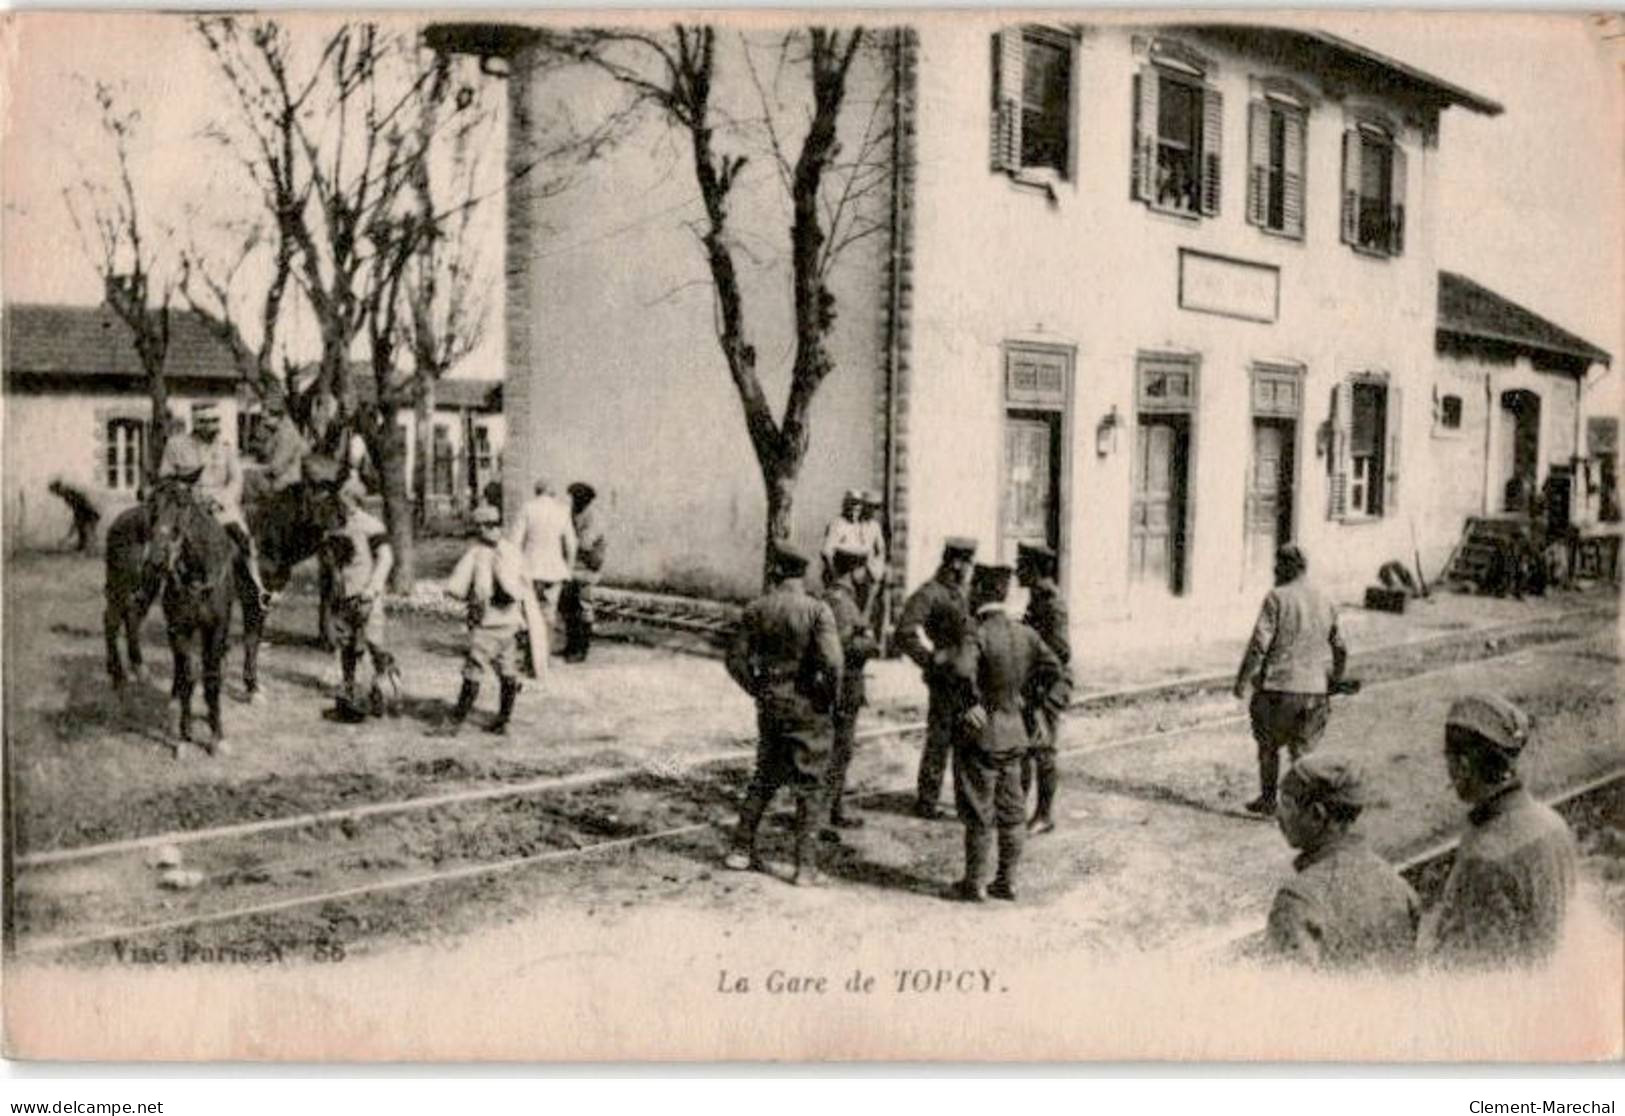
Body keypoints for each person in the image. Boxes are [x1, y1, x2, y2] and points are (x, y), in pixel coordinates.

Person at [1422, 694, 1580, 968]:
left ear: (1464, 766)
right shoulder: (1553, 823)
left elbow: (1475, 970)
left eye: (1448, 759)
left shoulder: (1485, 856)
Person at [722, 545, 843, 886]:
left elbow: (734, 660)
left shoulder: (757, 609)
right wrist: (827, 698)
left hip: (771, 703)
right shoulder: (818, 611)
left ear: (775, 572)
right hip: (807, 705)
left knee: (765, 775)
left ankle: (740, 849)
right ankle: (805, 867)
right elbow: (833, 662)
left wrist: (758, 689)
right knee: (809, 786)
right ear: (802, 575)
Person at [946, 563, 1067, 902]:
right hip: (1015, 733)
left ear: (982, 591)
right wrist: (1027, 701)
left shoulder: (976, 631)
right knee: (1013, 811)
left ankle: (974, 884)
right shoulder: (1024, 633)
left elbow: (960, 669)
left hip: (982, 735)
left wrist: (972, 702)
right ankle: (1007, 881)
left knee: (978, 811)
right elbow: (1054, 668)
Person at [1265, 753, 1419, 969]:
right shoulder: (1399, 888)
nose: (1278, 815)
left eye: (1286, 804)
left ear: (1317, 815)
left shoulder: (1298, 902)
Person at [1233, 544, 1347, 815]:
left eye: (1277, 565)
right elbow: (1340, 647)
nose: (1273, 570)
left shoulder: (1277, 597)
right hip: (1315, 690)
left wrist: (1242, 680)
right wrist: (1336, 678)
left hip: (1278, 690)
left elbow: (1259, 644)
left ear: (1287, 568)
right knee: (1304, 753)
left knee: (1268, 747)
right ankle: (1304, 807)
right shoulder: (1326, 598)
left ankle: (1269, 800)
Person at [895, 536, 978, 819]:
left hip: (969, 677)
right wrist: (930, 660)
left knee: (968, 740)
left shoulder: (964, 592)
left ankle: (964, 800)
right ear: (955, 563)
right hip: (945, 679)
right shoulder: (930, 593)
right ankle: (927, 800)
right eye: (966, 563)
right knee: (940, 739)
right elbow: (904, 633)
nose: (969, 569)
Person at [157, 401, 271, 606]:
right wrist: (182, 492)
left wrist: (223, 499)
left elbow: (236, 479)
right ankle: (157, 586)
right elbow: (165, 477)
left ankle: (256, 588)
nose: (211, 427)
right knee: (165, 541)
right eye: (206, 422)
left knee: (245, 541)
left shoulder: (226, 447)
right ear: (196, 422)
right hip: (187, 504)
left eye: (214, 421)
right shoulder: (175, 445)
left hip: (220, 504)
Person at [434, 505, 532, 736]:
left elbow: (455, 588)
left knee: (474, 670)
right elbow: (525, 584)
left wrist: (468, 596)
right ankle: (504, 720)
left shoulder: (477, 553)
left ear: (479, 527)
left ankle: (455, 722)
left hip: (486, 622)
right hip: (511, 620)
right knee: (508, 670)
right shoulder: (513, 551)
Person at [321, 485, 402, 722]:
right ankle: (349, 695)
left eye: (347, 499)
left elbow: (386, 559)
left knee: (374, 644)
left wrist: (373, 588)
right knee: (346, 646)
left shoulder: (372, 526)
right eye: (341, 500)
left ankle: (389, 694)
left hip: (366, 595)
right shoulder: (336, 527)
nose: (343, 504)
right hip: (344, 596)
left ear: (356, 500)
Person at [819, 548, 880, 837]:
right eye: (862, 569)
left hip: (841, 686)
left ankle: (833, 808)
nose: (866, 575)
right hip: (844, 686)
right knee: (838, 751)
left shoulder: (840, 597)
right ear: (853, 570)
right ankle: (821, 816)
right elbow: (843, 647)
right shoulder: (842, 602)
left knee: (840, 750)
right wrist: (870, 643)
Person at [1016, 542, 1073, 834]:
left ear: (1035, 570)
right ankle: (1017, 809)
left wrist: (1039, 689)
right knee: (1026, 748)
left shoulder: (1051, 603)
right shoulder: (1037, 598)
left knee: (1043, 750)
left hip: (1048, 687)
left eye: (1021, 565)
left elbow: (1061, 652)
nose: (1016, 571)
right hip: (1035, 685)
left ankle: (1044, 815)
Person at [509, 477, 577, 632]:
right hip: (555, 569)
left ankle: (531, 650)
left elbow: (514, 541)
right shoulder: (562, 510)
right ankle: (544, 649)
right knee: (549, 612)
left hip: (531, 567)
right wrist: (569, 569)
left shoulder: (527, 508)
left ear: (536, 492)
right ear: (552, 493)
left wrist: (514, 567)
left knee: (530, 611)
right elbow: (571, 544)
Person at [561, 482, 607, 663]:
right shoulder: (574, 513)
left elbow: (585, 543)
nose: (573, 502)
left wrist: (566, 540)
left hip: (587, 568)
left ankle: (581, 649)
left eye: (577, 499)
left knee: (583, 608)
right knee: (568, 607)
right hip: (574, 567)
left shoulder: (594, 517)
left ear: (585, 500)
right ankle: (571, 645)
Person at [821, 489, 885, 611]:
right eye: (852, 503)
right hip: (842, 575)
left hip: (860, 575)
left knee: (861, 608)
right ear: (845, 504)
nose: (855, 508)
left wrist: (873, 570)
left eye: (858, 504)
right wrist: (835, 578)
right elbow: (826, 552)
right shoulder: (838, 524)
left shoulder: (861, 525)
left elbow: (878, 552)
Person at [258, 394, 310, 494]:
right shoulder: (277, 430)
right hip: (281, 479)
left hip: (288, 483)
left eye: (265, 418)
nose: (263, 423)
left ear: (277, 416)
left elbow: (276, 466)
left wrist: (257, 470)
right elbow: (265, 452)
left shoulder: (286, 433)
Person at [49, 479, 101, 553]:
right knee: (82, 529)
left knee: (88, 530)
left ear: (59, 488)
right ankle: (83, 547)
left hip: (90, 512)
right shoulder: (68, 494)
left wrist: (70, 533)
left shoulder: (70, 494)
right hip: (87, 511)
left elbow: (81, 507)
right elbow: (77, 510)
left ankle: (92, 549)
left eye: (56, 492)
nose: (56, 495)